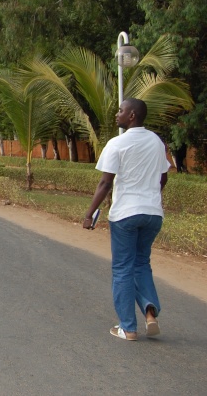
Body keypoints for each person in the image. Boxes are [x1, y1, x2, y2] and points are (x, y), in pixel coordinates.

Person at [84, 98, 170, 341]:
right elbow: (164, 178)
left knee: (122, 268)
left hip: (125, 215)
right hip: (152, 214)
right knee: (141, 263)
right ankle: (150, 313)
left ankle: (128, 328)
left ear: (132, 115)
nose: (117, 115)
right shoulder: (156, 142)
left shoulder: (117, 144)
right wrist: (151, 195)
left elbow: (105, 182)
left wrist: (89, 214)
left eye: (121, 111)